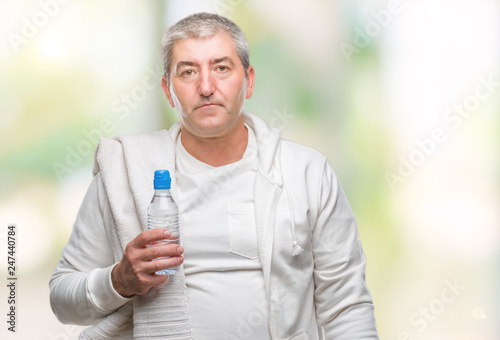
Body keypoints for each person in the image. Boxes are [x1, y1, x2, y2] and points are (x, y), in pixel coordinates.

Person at [50, 12, 379, 340]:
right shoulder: (124, 171)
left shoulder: (307, 173)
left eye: (221, 68)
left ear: (248, 81)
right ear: (168, 90)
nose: (206, 87)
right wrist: (118, 280)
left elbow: (346, 307)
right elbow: (62, 299)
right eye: (188, 72)